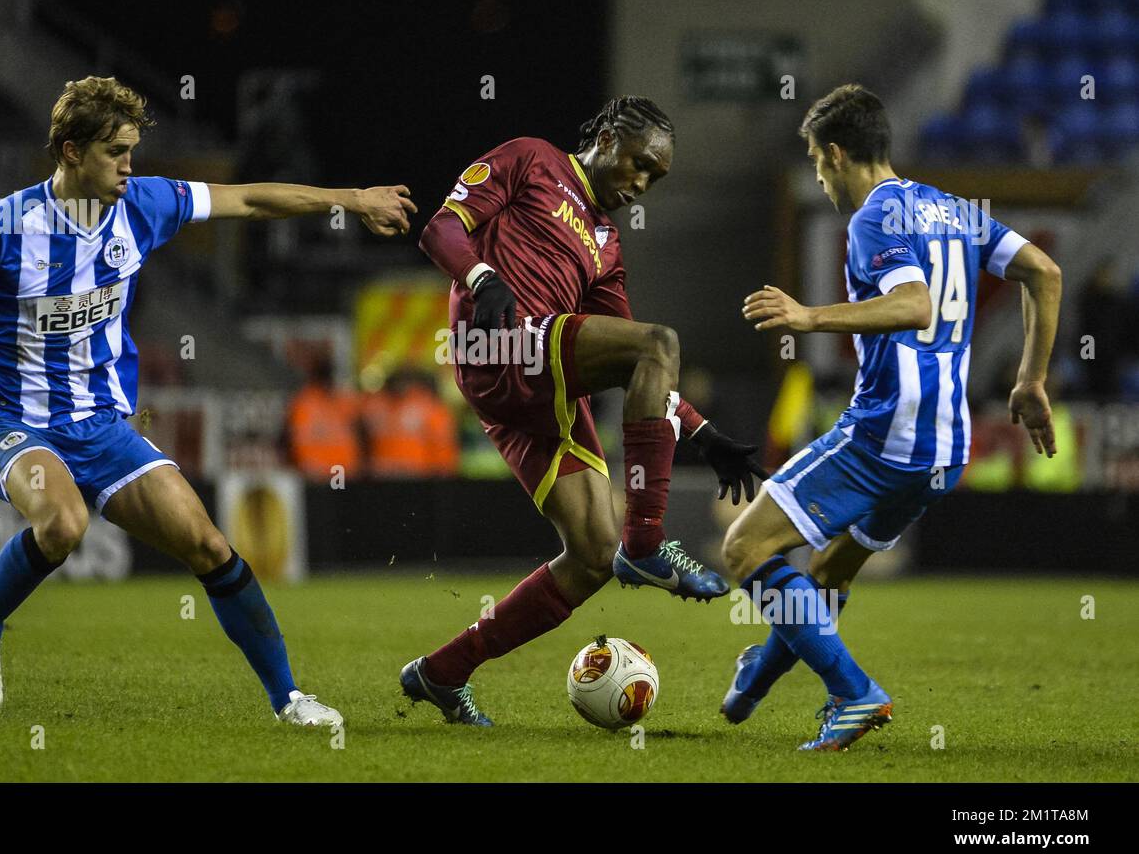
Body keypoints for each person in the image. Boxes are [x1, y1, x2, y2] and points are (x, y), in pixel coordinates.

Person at [0, 76, 415, 727]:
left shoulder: (145, 205)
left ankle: (288, 697)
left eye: (132, 150)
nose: (130, 164)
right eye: (115, 151)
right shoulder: (2, 228)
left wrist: (349, 198)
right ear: (70, 151)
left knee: (208, 545)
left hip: (100, 426)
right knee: (63, 523)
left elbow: (252, 201)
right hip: (7, 421)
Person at [401, 96, 765, 725]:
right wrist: (483, 279)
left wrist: (704, 435)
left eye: (655, 178)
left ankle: (442, 672)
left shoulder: (606, 245)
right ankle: (647, 543)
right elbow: (440, 228)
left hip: (539, 393)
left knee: (593, 557)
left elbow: (641, 366)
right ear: (603, 134)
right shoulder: (532, 159)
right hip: (499, 347)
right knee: (661, 343)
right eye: (638, 163)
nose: (641, 183)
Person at [718, 84, 1061, 750]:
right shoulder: (956, 211)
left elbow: (914, 305)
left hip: (886, 433)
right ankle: (757, 677)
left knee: (744, 546)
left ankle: (854, 693)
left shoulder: (874, 217)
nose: (820, 177)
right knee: (828, 574)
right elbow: (1044, 272)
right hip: (944, 448)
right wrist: (1031, 377)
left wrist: (809, 315)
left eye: (819, 162)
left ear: (840, 154)